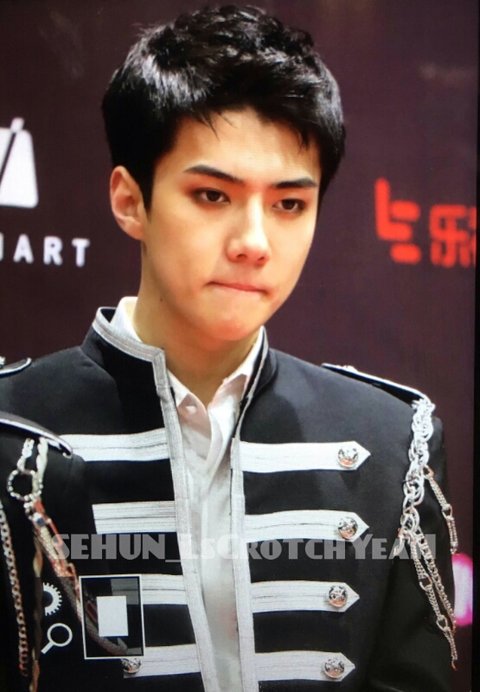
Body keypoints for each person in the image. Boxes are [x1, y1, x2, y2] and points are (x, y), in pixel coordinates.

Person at [0, 5, 457, 691]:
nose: (254, 242)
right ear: (130, 201)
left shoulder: (395, 443)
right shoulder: (10, 431)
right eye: (212, 195)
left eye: (289, 204)